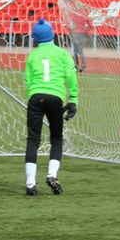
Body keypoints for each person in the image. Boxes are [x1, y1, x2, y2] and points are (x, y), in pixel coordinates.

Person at [24, 18, 79, 196]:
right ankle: (51, 175)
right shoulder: (62, 54)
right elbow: (71, 76)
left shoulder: (32, 55)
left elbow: (28, 80)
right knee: (56, 137)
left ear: (35, 38)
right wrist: (73, 100)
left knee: (33, 139)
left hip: (36, 97)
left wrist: (34, 96)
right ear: (53, 35)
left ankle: (30, 183)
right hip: (56, 97)